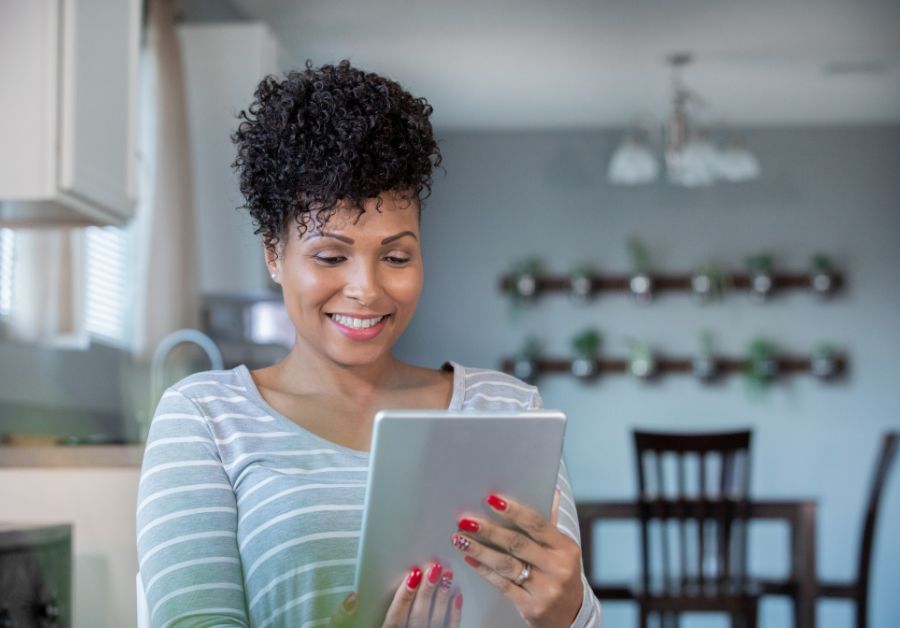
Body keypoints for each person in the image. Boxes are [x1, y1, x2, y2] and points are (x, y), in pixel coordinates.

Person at [136, 60, 603, 628]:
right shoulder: (206, 420)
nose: (367, 288)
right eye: (331, 256)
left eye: (396, 256)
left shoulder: (507, 408)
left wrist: (569, 611)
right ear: (274, 253)